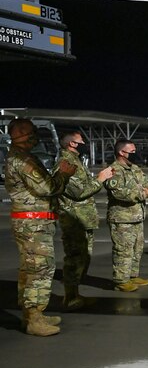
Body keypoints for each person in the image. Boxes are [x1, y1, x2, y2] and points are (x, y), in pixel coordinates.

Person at [4, 119, 78, 336]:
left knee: (30, 268)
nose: (35, 136)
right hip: (33, 224)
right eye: (31, 132)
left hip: (33, 221)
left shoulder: (20, 156)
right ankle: (34, 319)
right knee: (40, 269)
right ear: (20, 133)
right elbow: (47, 188)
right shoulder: (21, 159)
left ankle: (32, 315)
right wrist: (63, 173)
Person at [56, 131, 113, 309]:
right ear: (72, 144)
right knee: (75, 259)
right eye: (81, 141)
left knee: (83, 258)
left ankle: (75, 295)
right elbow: (78, 192)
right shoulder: (66, 163)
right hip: (74, 220)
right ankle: (70, 298)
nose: (85, 143)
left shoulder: (76, 161)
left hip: (83, 219)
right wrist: (100, 179)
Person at [104, 139, 148, 292]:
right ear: (122, 152)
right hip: (122, 219)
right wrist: (143, 194)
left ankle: (133, 275)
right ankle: (121, 281)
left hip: (136, 217)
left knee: (137, 248)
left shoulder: (133, 168)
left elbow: (146, 180)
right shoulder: (114, 171)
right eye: (132, 152)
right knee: (123, 250)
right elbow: (120, 193)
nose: (136, 154)